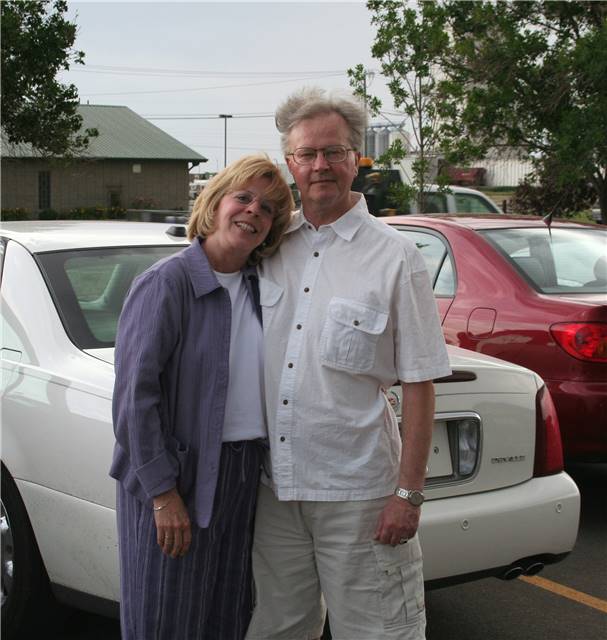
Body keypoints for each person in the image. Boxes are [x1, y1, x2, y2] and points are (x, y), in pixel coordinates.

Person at [246, 88, 451, 640]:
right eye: (307, 154)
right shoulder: (267, 248)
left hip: (359, 494)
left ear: (357, 159)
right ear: (290, 163)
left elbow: (420, 382)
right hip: (274, 491)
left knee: (381, 631)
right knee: (277, 629)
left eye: (334, 152)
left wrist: (407, 496)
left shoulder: (396, 256)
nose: (320, 166)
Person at [109, 155, 294, 640]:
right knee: (165, 621)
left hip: (242, 475)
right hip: (175, 478)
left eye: (269, 208)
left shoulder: (263, 288)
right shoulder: (167, 283)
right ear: (214, 204)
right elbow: (134, 399)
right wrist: (163, 494)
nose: (255, 211)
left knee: (225, 618)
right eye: (244, 197)